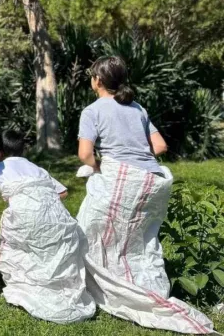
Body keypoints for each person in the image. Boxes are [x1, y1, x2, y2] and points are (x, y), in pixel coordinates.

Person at [76, 56, 214, 333]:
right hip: (154, 181)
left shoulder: (93, 111)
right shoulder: (138, 108)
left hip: (123, 181)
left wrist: (103, 166)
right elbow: (160, 147)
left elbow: (85, 155)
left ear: (97, 81)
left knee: (87, 232)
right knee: (139, 239)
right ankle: (142, 283)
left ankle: (106, 287)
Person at [0, 130, 95, 324]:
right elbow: (63, 192)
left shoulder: (0, 167)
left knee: (19, 244)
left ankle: (27, 284)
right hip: (55, 215)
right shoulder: (37, 168)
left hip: (26, 215)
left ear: (0, 152)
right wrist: (42, 200)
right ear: (23, 151)